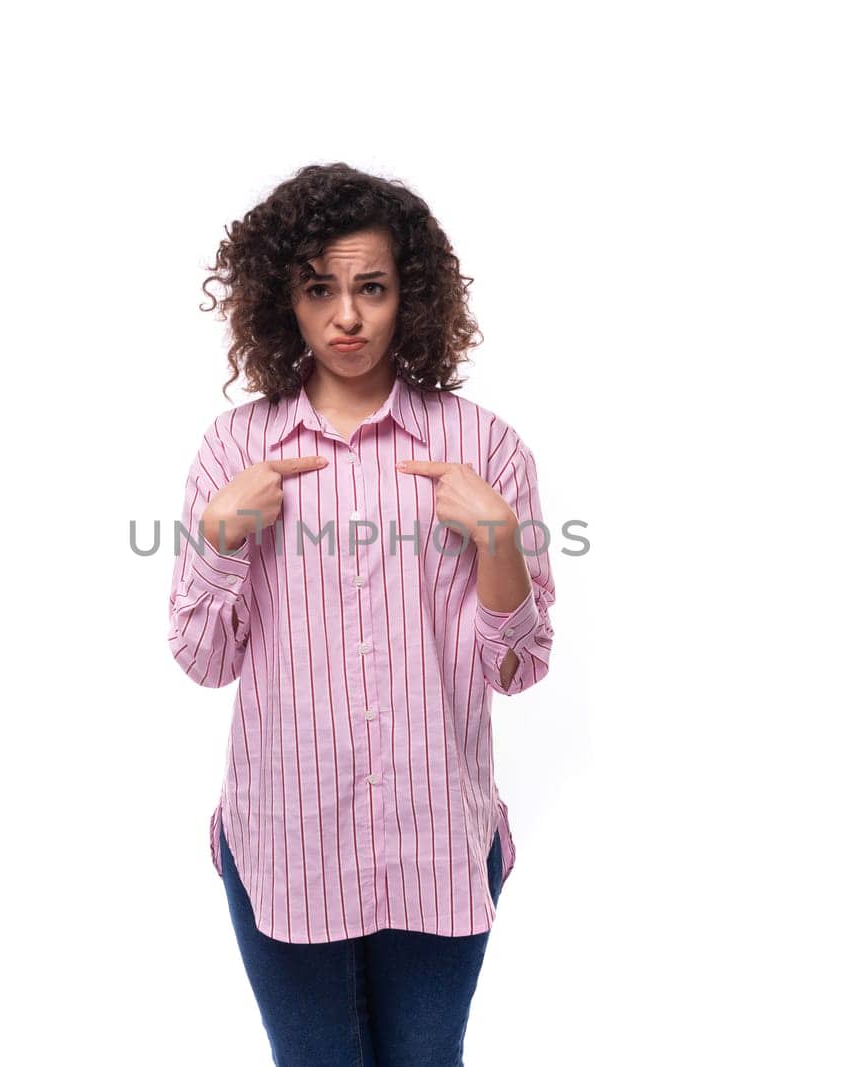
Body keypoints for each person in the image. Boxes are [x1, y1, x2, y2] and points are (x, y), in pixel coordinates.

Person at [167, 163, 556, 1066]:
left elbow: (520, 664)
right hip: (284, 840)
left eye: (371, 288)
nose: (346, 316)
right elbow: (200, 657)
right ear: (284, 302)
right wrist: (222, 537)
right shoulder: (236, 447)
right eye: (319, 289)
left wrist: (497, 541)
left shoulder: (484, 445)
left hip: (439, 839)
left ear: (407, 296)